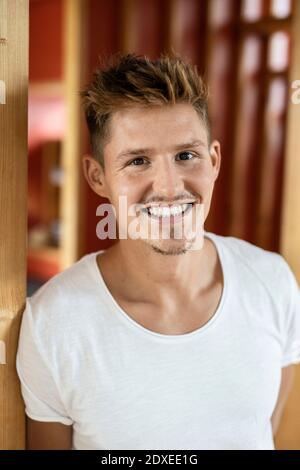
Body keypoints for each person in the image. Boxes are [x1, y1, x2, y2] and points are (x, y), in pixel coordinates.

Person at [17, 54, 300, 450]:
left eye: (186, 155)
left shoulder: (273, 282)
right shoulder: (53, 323)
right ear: (97, 177)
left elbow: (258, 431)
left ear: (213, 160)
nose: (168, 187)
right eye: (138, 161)